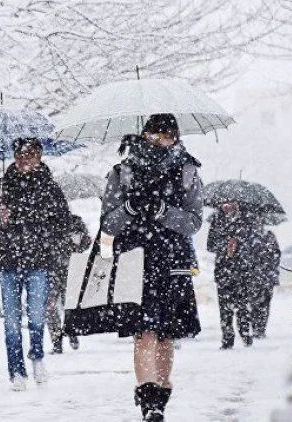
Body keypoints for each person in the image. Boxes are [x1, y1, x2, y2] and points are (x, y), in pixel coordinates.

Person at [99, 114, 203, 421]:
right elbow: (108, 222)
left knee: (166, 334)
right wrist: (130, 208)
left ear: (175, 137)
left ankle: (161, 392)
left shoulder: (188, 171)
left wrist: (162, 211)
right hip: (135, 260)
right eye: (154, 136)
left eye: (166, 136)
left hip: (173, 261)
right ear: (144, 136)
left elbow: (193, 223)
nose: (159, 142)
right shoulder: (123, 172)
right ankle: (149, 401)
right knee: (143, 333)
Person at [0, 137, 71, 391]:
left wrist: (35, 223)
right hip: (8, 261)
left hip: (39, 261)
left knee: (37, 315)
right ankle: (16, 371)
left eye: (29, 155)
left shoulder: (50, 187)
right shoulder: (1, 186)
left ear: (39, 156)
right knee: (11, 320)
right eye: (19, 155)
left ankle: (38, 356)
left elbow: (63, 221)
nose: (23, 159)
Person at [206, 202, 265, 349]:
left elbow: (254, 244)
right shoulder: (216, 220)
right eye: (224, 203)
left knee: (243, 306)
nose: (226, 206)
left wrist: (239, 243)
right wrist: (226, 245)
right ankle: (227, 338)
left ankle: (245, 334)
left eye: (230, 203)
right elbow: (210, 245)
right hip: (223, 272)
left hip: (242, 271)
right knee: (224, 309)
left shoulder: (246, 220)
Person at [46, 214, 92, 354]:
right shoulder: (47, 222)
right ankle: (59, 339)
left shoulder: (73, 221)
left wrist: (77, 244)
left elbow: (86, 241)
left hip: (65, 268)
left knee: (63, 304)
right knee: (54, 305)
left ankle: (68, 333)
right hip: (55, 269)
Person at [251, 229, 281, 338]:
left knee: (265, 304)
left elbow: (277, 254)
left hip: (267, 277)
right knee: (255, 303)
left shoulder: (270, 236)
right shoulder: (251, 236)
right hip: (256, 277)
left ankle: (260, 328)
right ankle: (256, 327)